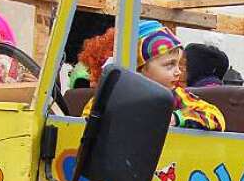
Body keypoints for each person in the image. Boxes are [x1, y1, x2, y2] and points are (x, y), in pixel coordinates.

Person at [84, 21, 226, 131]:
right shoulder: (108, 97)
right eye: (169, 65)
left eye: (178, 65)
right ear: (139, 69)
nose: (178, 72)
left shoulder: (175, 95)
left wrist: (176, 118)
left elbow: (216, 116)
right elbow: (86, 125)